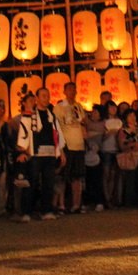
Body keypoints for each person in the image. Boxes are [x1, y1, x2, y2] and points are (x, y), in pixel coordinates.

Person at [16, 88, 63, 220]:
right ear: (37, 98)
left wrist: (59, 152)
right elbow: (23, 134)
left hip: (49, 153)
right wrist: (23, 151)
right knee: (32, 183)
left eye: (47, 96)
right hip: (35, 154)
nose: (46, 98)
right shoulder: (28, 115)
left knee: (48, 183)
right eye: (43, 96)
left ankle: (46, 210)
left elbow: (57, 135)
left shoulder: (51, 116)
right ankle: (27, 212)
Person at [53, 82, 88, 214]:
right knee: (63, 176)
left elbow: (83, 122)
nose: (73, 91)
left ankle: (76, 204)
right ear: (64, 91)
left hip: (79, 145)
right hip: (67, 144)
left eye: (74, 89)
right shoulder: (60, 107)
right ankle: (60, 204)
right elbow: (56, 126)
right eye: (70, 89)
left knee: (77, 176)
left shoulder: (78, 106)